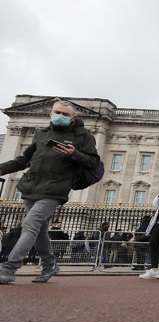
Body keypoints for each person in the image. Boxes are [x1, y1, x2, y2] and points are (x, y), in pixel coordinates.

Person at [0, 100, 100, 285]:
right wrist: (2, 169)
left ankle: (8, 268)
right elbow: (24, 159)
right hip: (31, 187)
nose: (60, 116)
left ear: (73, 117)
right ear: (50, 112)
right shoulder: (42, 133)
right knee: (39, 231)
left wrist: (74, 154)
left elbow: (94, 162)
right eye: (58, 112)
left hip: (56, 189)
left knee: (30, 224)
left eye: (65, 114)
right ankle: (50, 265)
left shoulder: (83, 136)